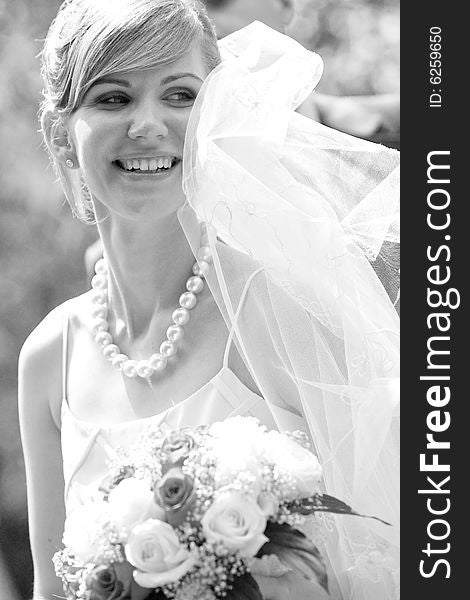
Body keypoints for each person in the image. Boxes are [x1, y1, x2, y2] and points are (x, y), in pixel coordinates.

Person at [19, 1, 399, 600]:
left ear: (217, 115)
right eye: (113, 98)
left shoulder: (284, 311)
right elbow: (49, 588)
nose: (147, 123)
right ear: (61, 138)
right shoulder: (48, 356)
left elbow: (407, 553)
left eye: (180, 95)